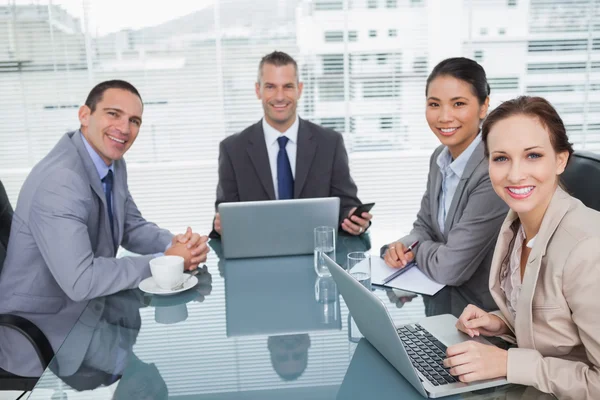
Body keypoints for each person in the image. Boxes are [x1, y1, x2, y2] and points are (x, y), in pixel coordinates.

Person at [0, 80, 210, 377]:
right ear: (85, 115)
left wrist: (176, 244)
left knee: (180, 357)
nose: (124, 128)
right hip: (46, 333)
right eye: (113, 114)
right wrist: (168, 262)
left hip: (89, 315)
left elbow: (131, 226)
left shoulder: (109, 159)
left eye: (134, 121)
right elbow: (81, 281)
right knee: (179, 369)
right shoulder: (60, 180)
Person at [444, 96, 600, 400]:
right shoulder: (518, 224)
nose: (515, 175)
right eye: (501, 158)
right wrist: (501, 322)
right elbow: (562, 329)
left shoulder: (588, 249)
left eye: (533, 155)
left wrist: (508, 362)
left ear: (560, 160)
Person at [382, 57, 508, 310]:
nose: (444, 116)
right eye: (434, 104)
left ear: (484, 107)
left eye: (459, 104)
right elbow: (424, 226)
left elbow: (451, 268)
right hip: (441, 302)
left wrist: (416, 250)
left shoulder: (493, 168)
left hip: (483, 317)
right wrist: (402, 246)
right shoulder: (440, 157)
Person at [211, 51, 372, 237]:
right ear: (258, 90)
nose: (280, 97)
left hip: (316, 253)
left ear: (299, 89)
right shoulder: (232, 149)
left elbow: (346, 204)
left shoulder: (330, 143)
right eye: (270, 87)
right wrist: (221, 225)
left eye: (287, 86)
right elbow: (225, 214)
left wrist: (353, 218)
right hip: (258, 254)